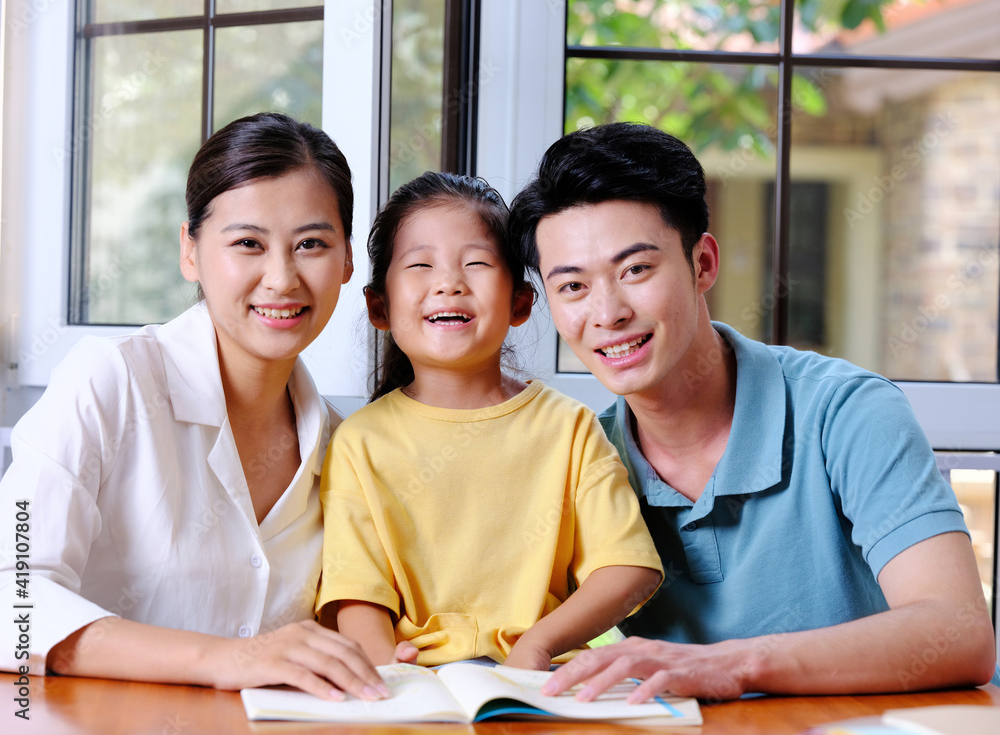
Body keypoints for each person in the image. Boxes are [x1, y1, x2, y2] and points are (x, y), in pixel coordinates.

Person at [507, 122, 997, 701]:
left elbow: (959, 633)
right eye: (572, 287)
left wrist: (730, 666)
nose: (607, 312)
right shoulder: (583, 458)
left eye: (636, 269)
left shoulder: (846, 412)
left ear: (702, 264)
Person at [0, 112, 391, 701]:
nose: (281, 278)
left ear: (346, 264)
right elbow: (13, 600)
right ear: (191, 251)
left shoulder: (345, 446)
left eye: (311, 244)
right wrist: (231, 659)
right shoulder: (110, 382)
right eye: (248, 244)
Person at [315, 171, 663, 670]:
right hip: (411, 684)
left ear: (520, 301)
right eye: (419, 264)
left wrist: (538, 644)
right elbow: (355, 591)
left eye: (476, 263)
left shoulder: (570, 429)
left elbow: (628, 566)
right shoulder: (359, 442)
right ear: (379, 306)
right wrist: (387, 675)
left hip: (539, 682)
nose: (449, 283)